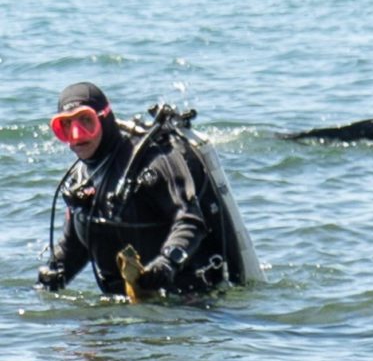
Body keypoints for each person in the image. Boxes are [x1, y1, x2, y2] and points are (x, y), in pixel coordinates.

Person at [36, 82, 241, 297]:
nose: (77, 134)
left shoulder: (153, 161)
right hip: (119, 306)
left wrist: (167, 263)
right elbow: (75, 247)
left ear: (104, 119)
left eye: (86, 120)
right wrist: (52, 276)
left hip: (185, 300)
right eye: (66, 125)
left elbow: (190, 220)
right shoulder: (80, 178)